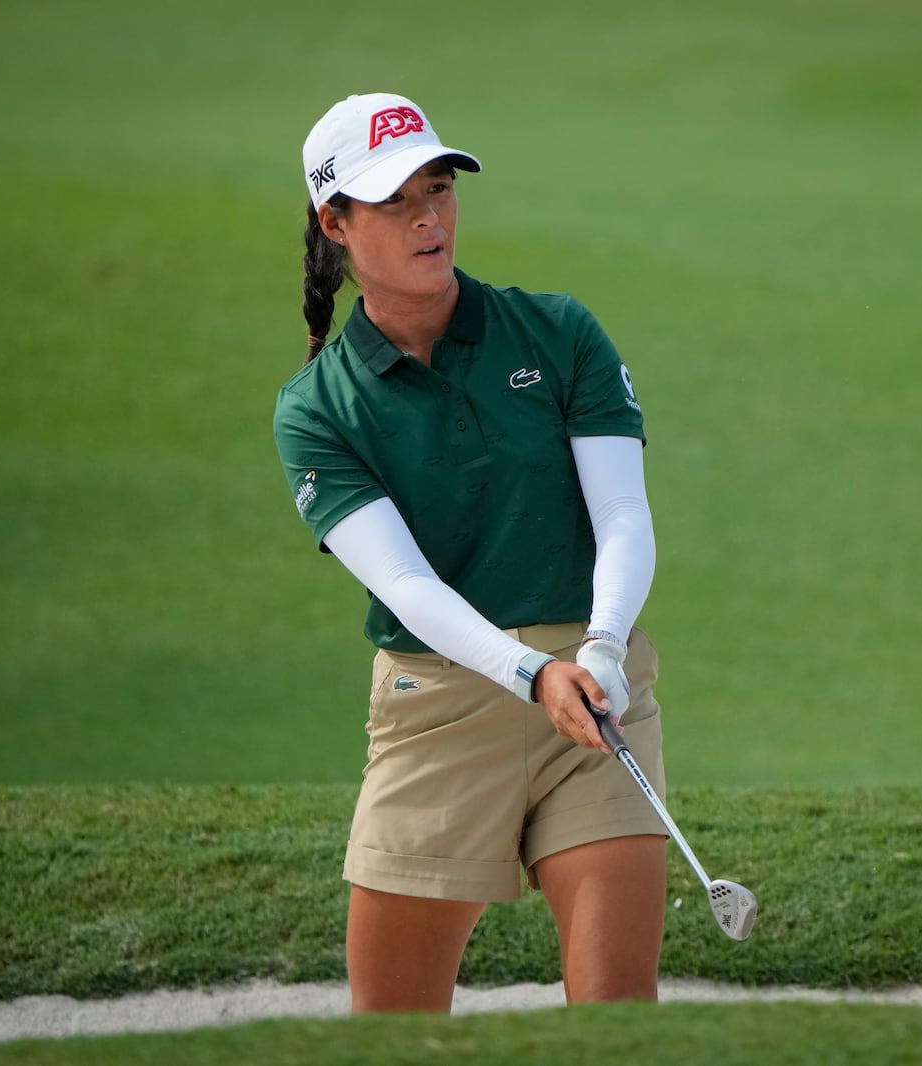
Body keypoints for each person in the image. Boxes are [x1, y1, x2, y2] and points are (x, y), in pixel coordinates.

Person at [273, 92, 668, 1014]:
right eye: (395, 199)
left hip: (596, 685)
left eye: (439, 188)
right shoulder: (317, 407)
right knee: (397, 1027)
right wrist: (531, 673)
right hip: (442, 704)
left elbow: (621, 513)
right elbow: (406, 584)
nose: (428, 216)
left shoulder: (557, 330)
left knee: (617, 1017)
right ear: (335, 223)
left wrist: (602, 648)